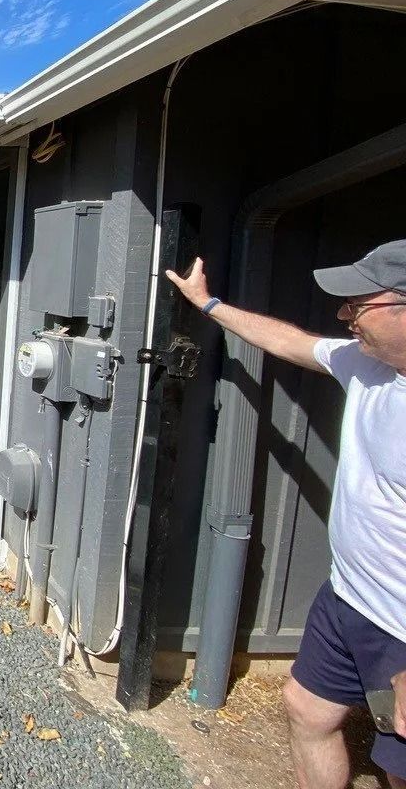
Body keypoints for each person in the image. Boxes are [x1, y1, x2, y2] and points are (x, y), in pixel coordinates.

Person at [167, 239, 406, 789]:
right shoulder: (366, 366)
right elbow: (291, 343)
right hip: (349, 596)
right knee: (306, 709)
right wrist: (209, 306)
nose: (344, 315)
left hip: (398, 623)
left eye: (359, 303)